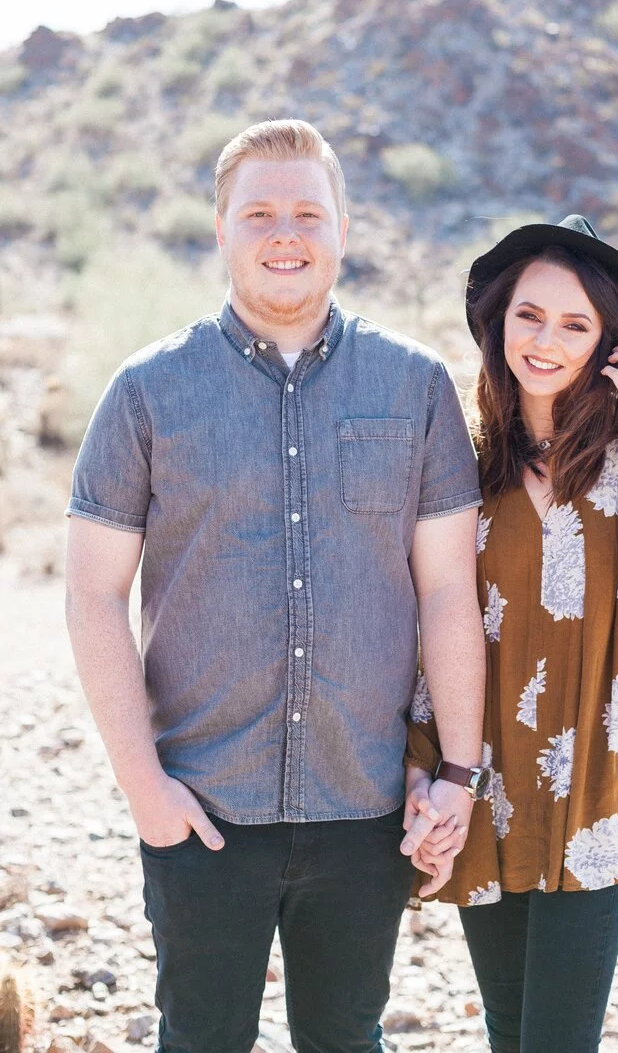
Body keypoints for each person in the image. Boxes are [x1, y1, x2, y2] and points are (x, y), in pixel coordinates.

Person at [64, 119, 486, 1053]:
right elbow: (93, 594)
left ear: (344, 227)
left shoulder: (414, 385)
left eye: (307, 210)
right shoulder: (145, 391)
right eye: (259, 212)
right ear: (221, 229)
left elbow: (450, 589)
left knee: (346, 1038)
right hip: (202, 805)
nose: (284, 231)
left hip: (367, 807)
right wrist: (143, 788)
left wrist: (457, 771)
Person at [407, 215, 618, 1053]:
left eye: (576, 324)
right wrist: (425, 768)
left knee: (558, 1041)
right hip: (484, 783)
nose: (547, 340)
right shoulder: (457, 456)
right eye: (529, 315)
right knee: (510, 1034)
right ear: (498, 321)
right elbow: (431, 619)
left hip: (598, 790)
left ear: (610, 342)